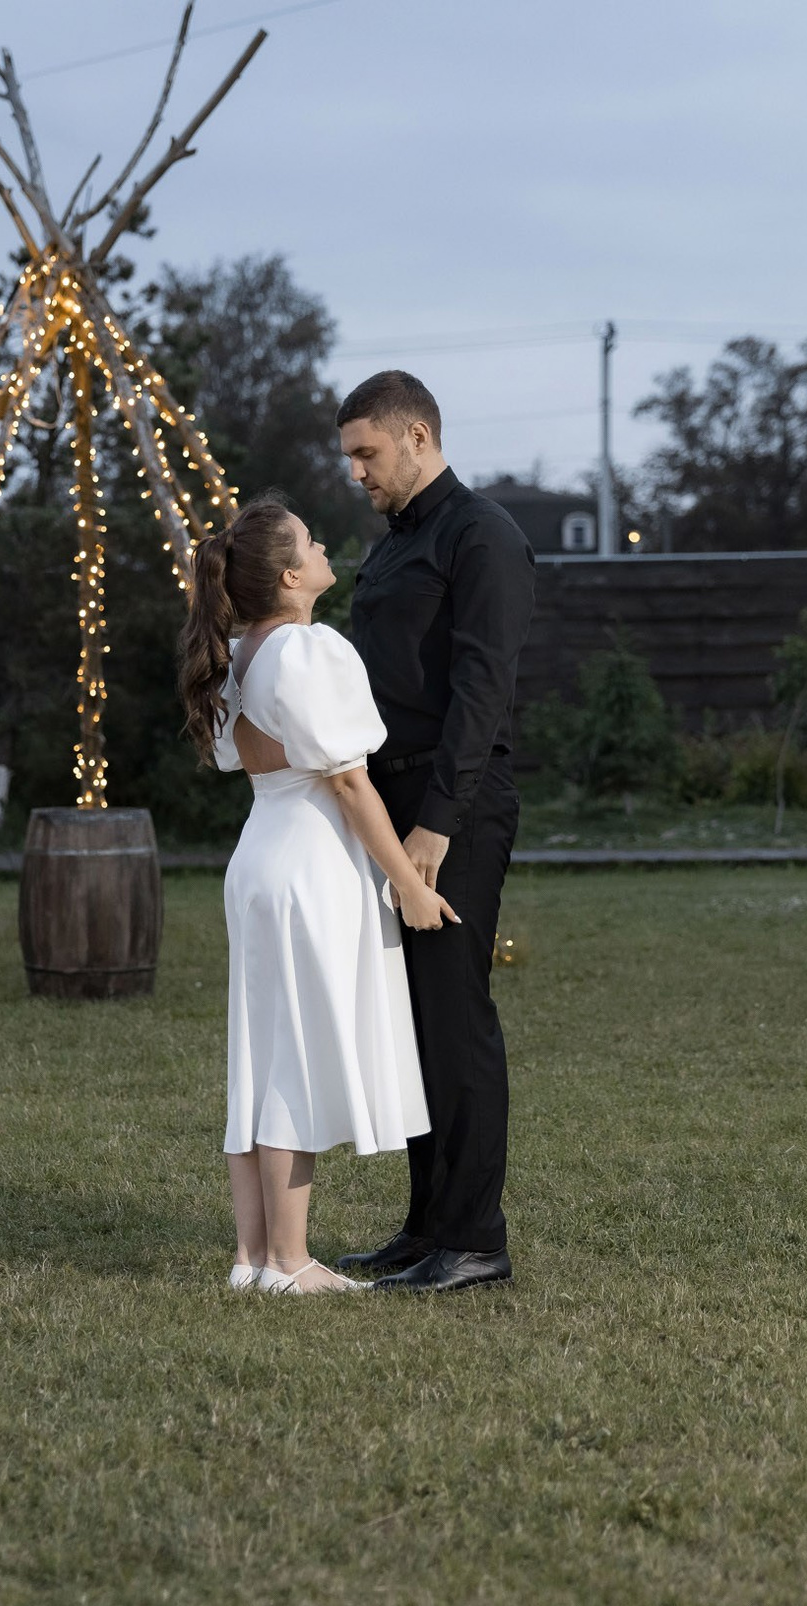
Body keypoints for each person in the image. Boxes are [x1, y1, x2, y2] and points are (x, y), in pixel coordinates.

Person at [178, 494, 460, 1295]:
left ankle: (254, 1257)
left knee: (264, 1056)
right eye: (309, 541)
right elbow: (347, 781)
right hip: (307, 865)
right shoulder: (304, 651)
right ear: (290, 575)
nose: (324, 546)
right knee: (293, 1060)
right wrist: (408, 883)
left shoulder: (240, 654)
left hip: (261, 855)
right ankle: (290, 1261)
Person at [331, 371, 535, 1294]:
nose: (357, 473)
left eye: (367, 453)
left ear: (417, 435)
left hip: (454, 809)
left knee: (454, 1018)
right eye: (350, 457)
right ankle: (426, 1227)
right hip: (389, 806)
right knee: (408, 1026)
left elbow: (483, 690)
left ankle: (477, 1238)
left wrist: (435, 826)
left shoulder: (483, 535)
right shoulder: (391, 547)